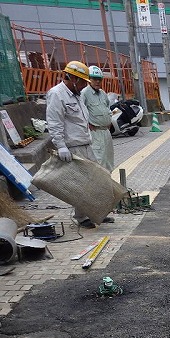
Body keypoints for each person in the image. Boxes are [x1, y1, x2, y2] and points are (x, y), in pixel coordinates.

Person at [46, 60, 113, 228]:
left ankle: (97, 212)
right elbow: (54, 122)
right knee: (82, 185)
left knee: (97, 179)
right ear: (73, 78)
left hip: (86, 143)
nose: (84, 85)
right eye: (83, 81)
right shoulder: (57, 94)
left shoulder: (76, 95)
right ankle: (82, 217)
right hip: (73, 147)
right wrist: (61, 146)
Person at [81, 66, 114, 172]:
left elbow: (108, 108)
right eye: (95, 79)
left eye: (99, 79)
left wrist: (109, 119)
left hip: (106, 131)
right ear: (89, 79)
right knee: (99, 160)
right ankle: (100, 182)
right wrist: (87, 124)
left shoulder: (103, 93)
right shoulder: (84, 93)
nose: (97, 82)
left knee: (109, 160)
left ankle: (108, 180)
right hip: (95, 132)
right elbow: (80, 112)